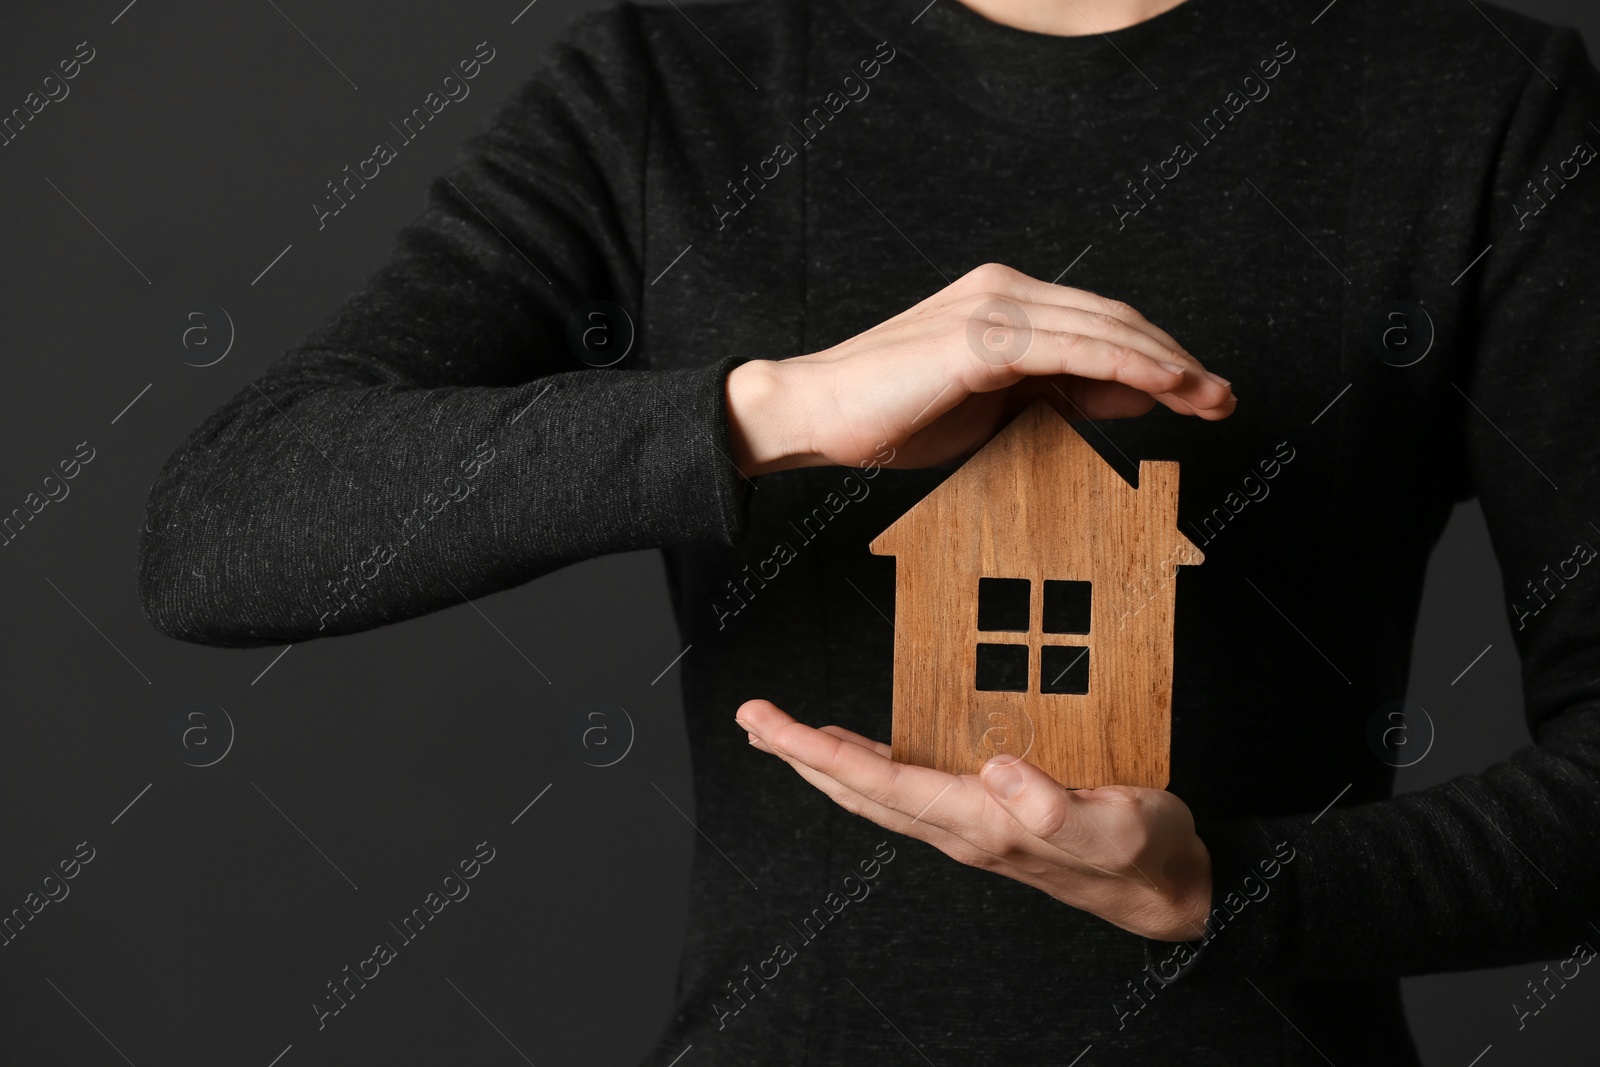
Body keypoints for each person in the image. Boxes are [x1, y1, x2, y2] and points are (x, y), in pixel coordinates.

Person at [138, 0, 1600, 1061]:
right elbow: (224, 527)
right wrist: (776, 408)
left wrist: (1220, 886)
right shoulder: (677, 80)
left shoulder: (1480, 96)